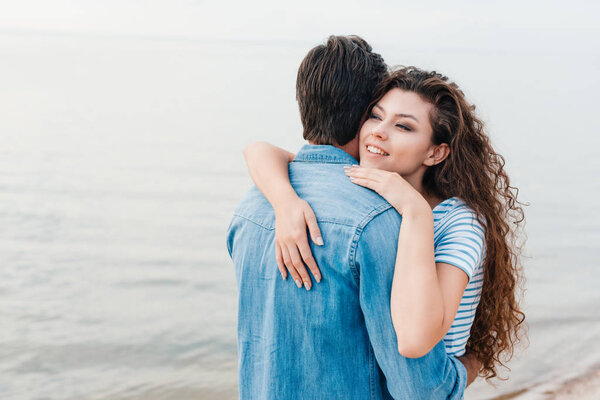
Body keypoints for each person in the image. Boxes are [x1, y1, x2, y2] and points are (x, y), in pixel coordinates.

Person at [227, 35, 482, 400]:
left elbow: (258, 150)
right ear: (364, 115)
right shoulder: (378, 223)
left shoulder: (251, 207)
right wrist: (468, 367)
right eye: (377, 115)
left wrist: (283, 201)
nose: (380, 130)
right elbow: (420, 389)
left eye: (403, 125)